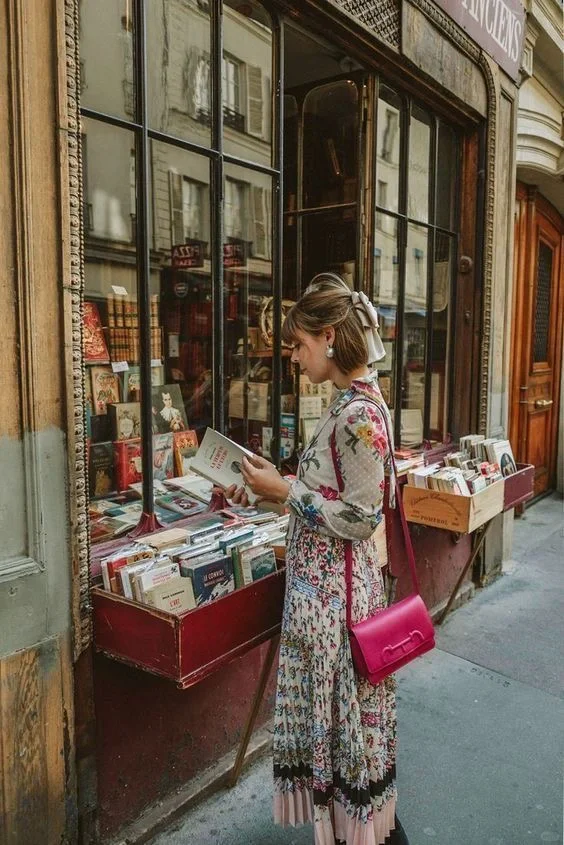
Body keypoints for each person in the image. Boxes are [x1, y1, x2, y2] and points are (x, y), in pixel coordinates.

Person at [223, 273, 408, 845]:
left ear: (330, 337)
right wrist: (267, 488)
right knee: (347, 750)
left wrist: (286, 493)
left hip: (337, 608)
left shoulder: (357, 414)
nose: (294, 357)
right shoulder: (351, 404)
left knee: (347, 748)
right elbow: (329, 499)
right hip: (328, 600)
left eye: (300, 344)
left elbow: (362, 517)